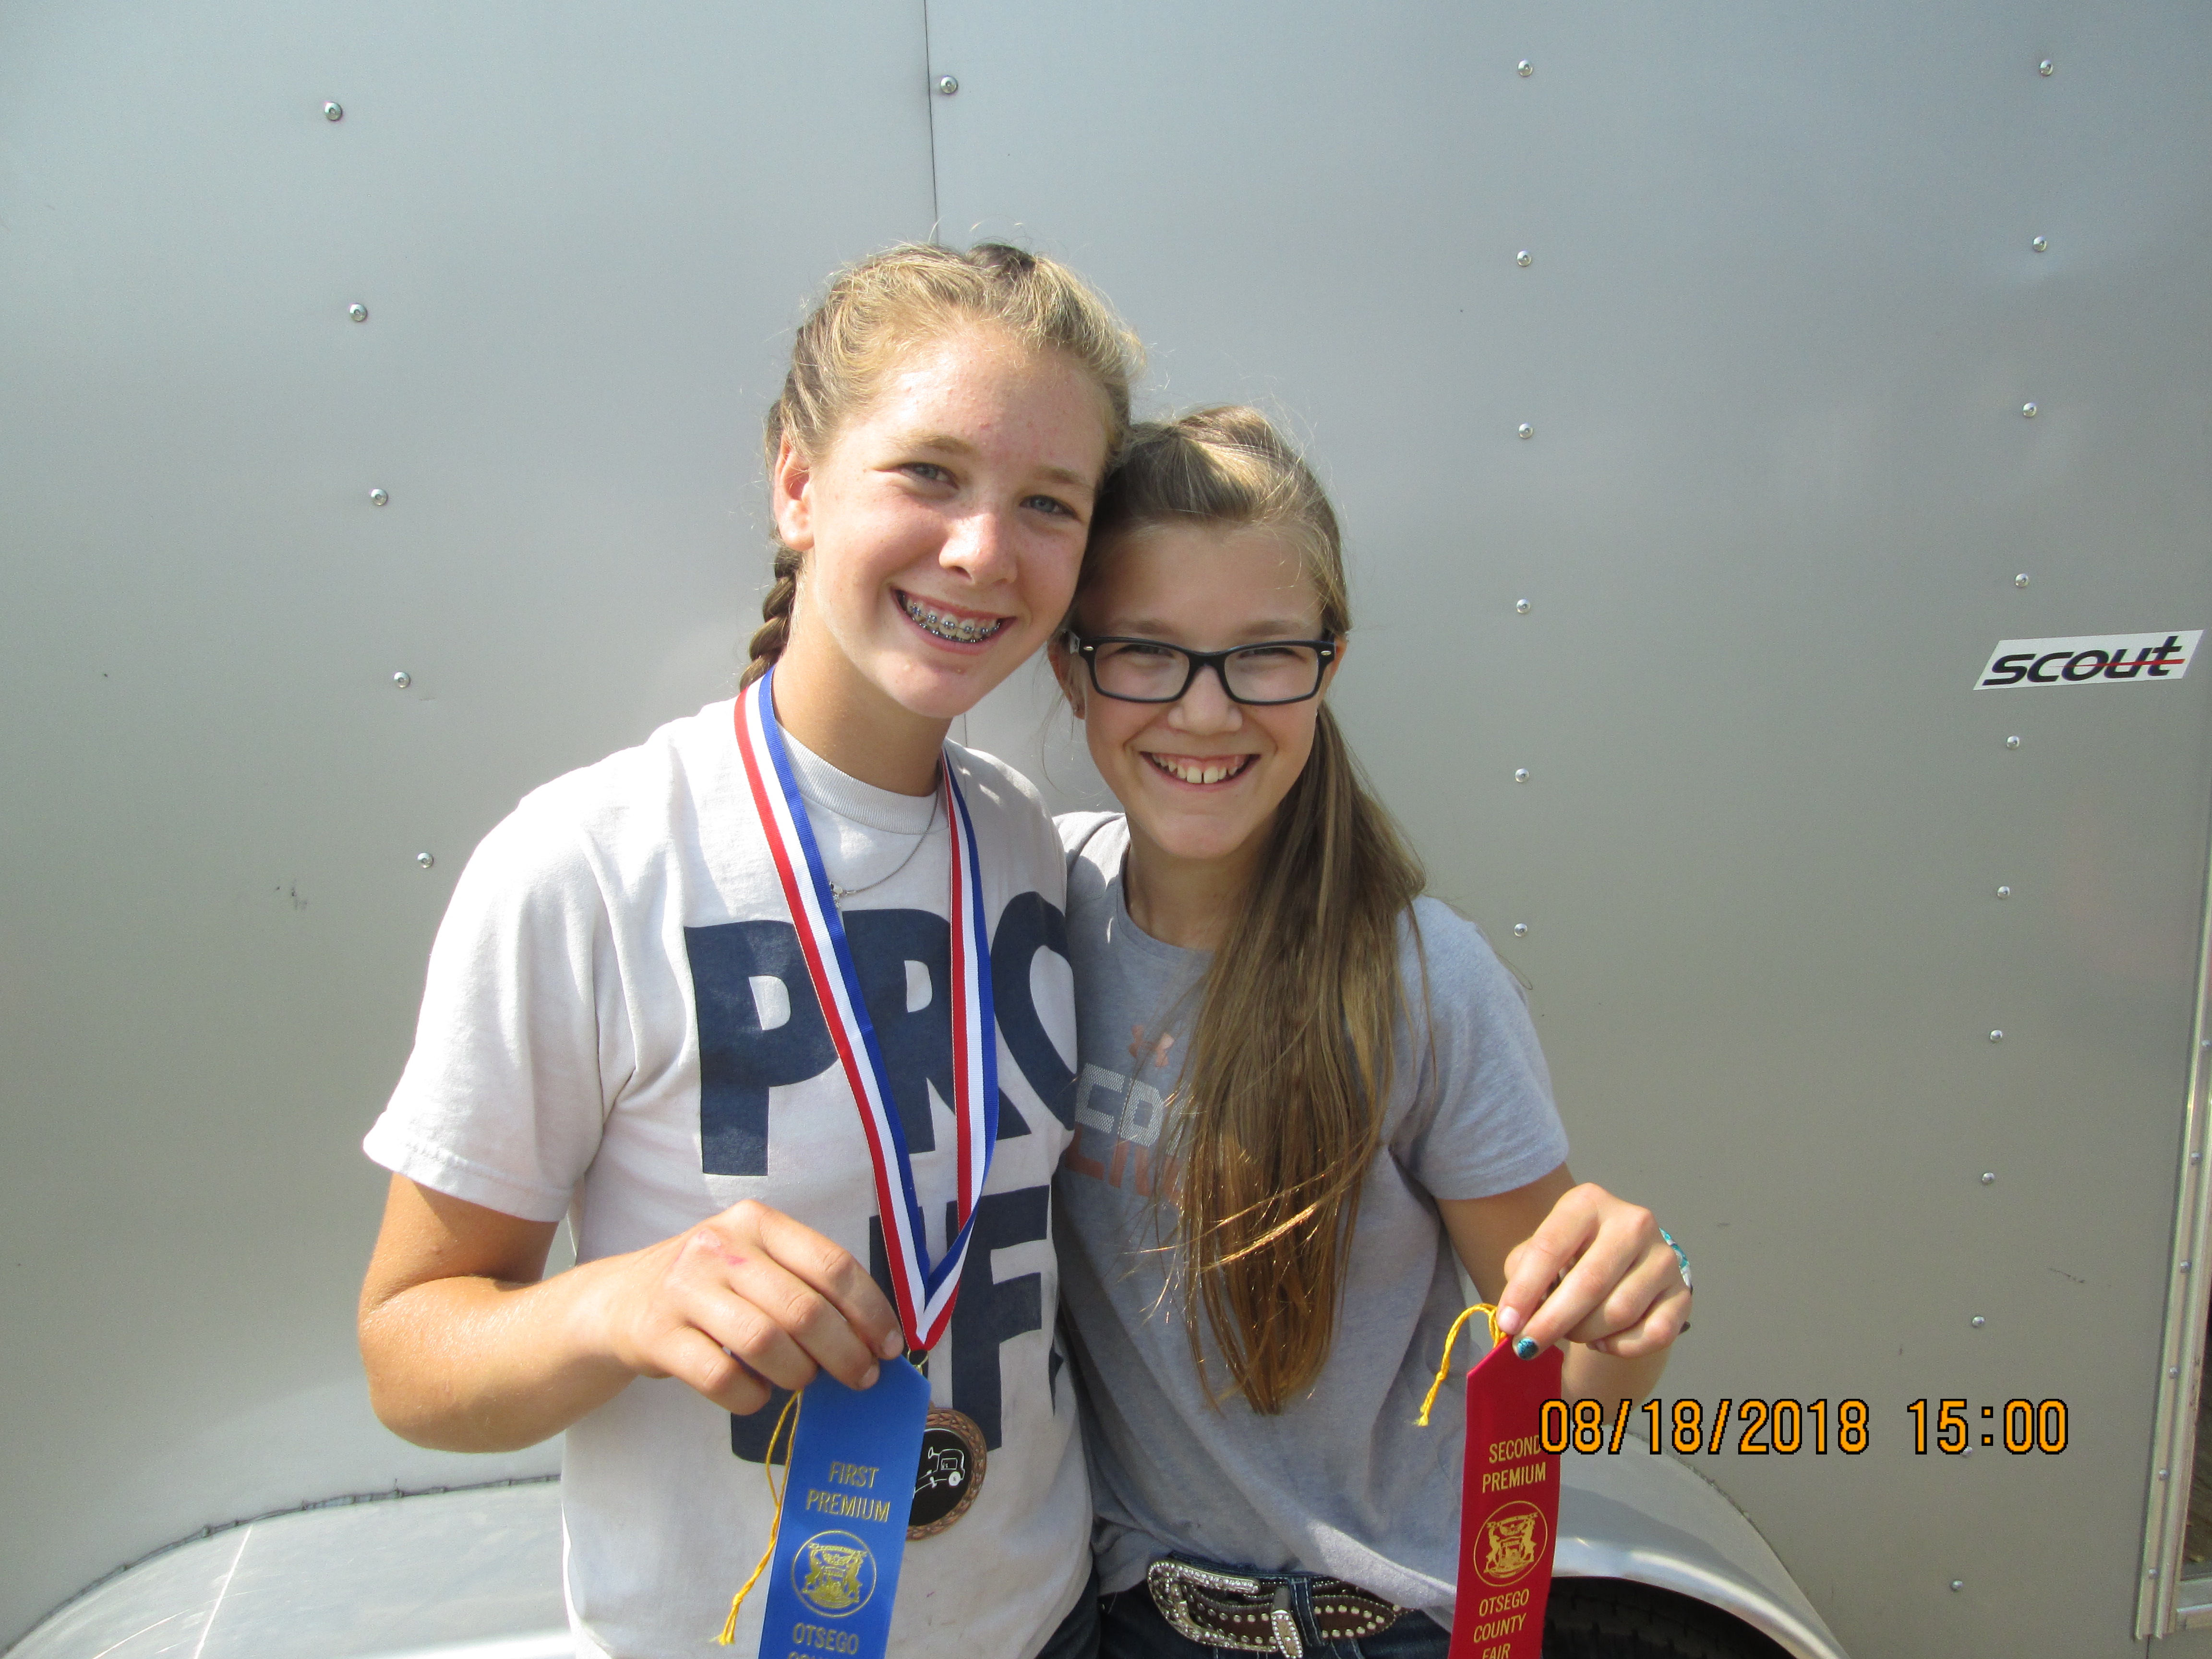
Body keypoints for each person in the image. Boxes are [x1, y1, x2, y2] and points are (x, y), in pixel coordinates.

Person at [356, 242, 1142, 1659]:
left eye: (1049, 502)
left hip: (1045, 1622)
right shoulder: (592, 864)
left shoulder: (1031, 845)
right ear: (797, 484)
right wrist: (619, 1303)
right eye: (929, 473)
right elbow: (409, 1352)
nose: (983, 550)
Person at [1046, 408, 1693, 1659]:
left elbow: (1562, 1401)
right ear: (1076, 668)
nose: (1205, 712)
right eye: (1148, 652)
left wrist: (1625, 1319)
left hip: (1374, 1630)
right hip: (1114, 1620)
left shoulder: (1422, 983)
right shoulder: (1033, 905)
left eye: (1263, 654)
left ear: (1329, 662)